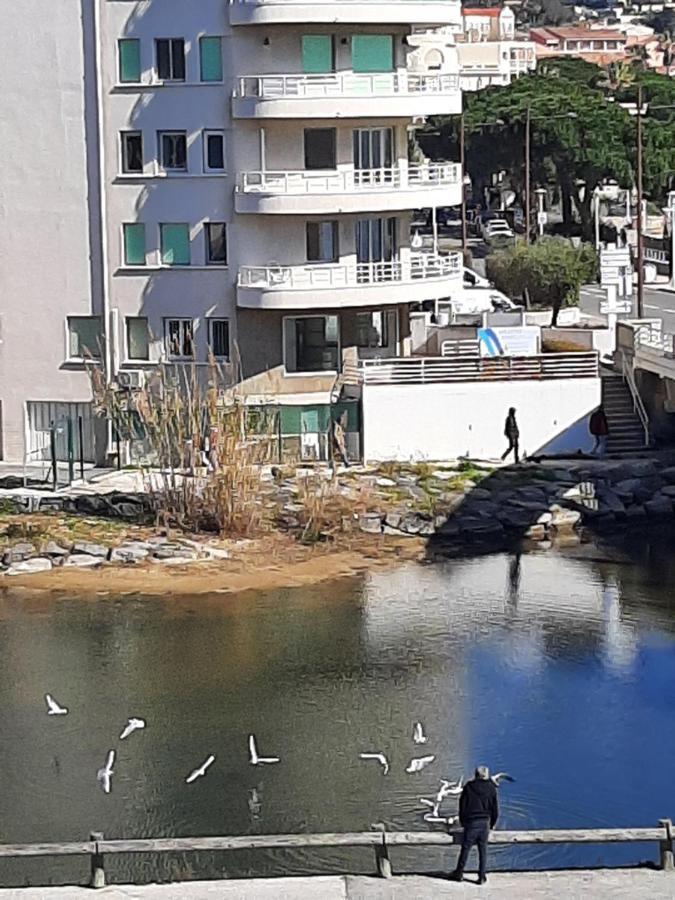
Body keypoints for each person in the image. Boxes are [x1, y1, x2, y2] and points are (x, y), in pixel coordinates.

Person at [450, 766, 499, 885]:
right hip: (485, 823)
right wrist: (492, 824)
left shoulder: (468, 787)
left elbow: (462, 806)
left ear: (476, 774)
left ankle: (459, 873)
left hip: (471, 823)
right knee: (483, 850)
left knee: (465, 849)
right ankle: (481, 876)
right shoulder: (491, 788)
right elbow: (495, 810)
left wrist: (463, 822)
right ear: (486, 775)